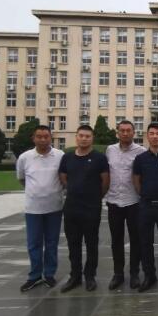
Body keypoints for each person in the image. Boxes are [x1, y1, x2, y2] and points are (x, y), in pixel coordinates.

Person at [59, 125, 110, 293]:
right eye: (81, 135)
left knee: (91, 243)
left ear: (92, 138)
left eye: (87, 136)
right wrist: (73, 189)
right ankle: (75, 276)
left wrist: (96, 196)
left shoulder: (99, 158)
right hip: (72, 207)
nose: (84, 139)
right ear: (76, 137)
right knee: (73, 243)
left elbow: (105, 181)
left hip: (91, 207)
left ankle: (90, 276)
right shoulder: (67, 157)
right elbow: (63, 177)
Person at [16, 125, 65, 292]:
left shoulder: (60, 155)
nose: (43, 139)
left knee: (52, 242)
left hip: (54, 207)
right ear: (33, 138)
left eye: (46, 136)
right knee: (34, 243)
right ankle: (34, 275)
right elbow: (22, 179)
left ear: (51, 137)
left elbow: (64, 177)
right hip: (33, 208)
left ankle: (49, 274)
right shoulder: (25, 157)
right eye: (39, 136)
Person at [104, 120, 146, 290]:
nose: (126, 133)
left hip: (133, 201)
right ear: (118, 133)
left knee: (136, 239)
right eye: (122, 130)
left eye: (129, 130)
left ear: (134, 133)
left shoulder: (141, 151)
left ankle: (134, 273)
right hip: (114, 201)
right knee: (116, 239)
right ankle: (118, 274)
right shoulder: (110, 150)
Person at [133, 122, 158, 293]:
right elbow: (136, 181)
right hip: (146, 206)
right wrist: (145, 195)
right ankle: (149, 275)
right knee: (145, 242)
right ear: (147, 136)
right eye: (152, 133)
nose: (155, 136)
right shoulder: (140, 159)